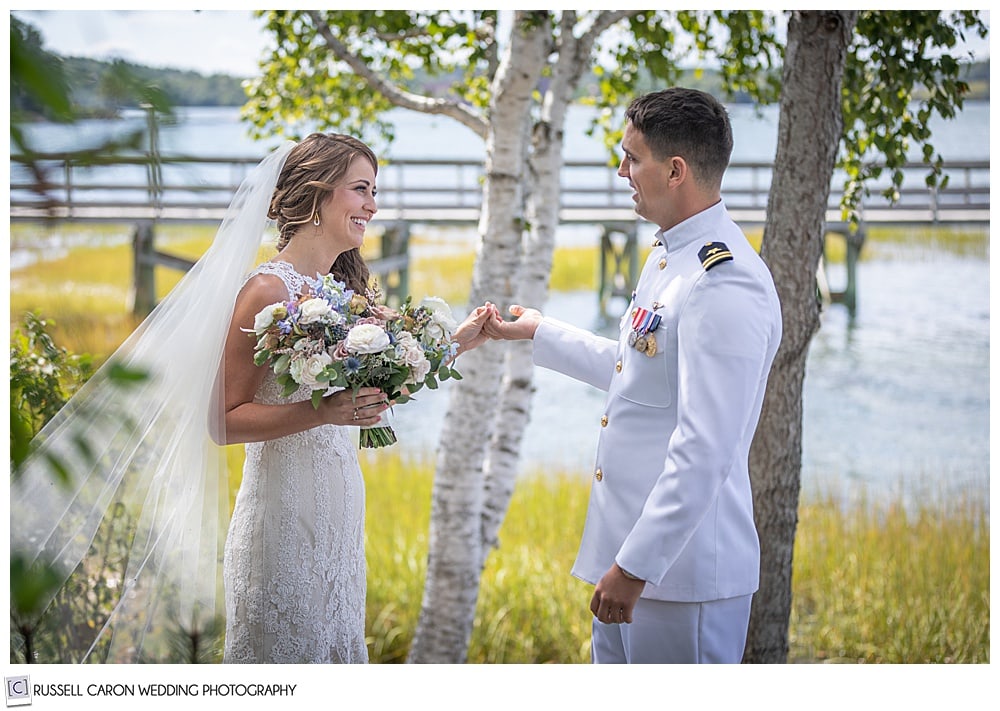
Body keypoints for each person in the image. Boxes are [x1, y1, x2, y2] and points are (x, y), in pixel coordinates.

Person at [10, 133, 492, 664]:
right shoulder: (266, 292)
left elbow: (377, 383)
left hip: (339, 511)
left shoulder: (342, 291)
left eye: (373, 191)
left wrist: (457, 341)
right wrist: (322, 411)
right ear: (316, 195)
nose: (373, 206)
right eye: (361, 189)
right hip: (281, 520)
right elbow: (220, 420)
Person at [483, 88, 783, 663]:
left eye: (631, 158)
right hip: (631, 563)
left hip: (679, 577)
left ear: (675, 171)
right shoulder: (672, 256)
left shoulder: (723, 283)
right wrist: (540, 333)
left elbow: (705, 448)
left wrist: (635, 566)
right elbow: (638, 372)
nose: (621, 170)